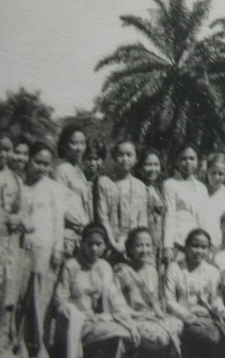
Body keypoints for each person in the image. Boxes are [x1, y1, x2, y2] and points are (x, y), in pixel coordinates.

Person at [52, 223, 140, 358]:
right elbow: (59, 300)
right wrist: (75, 313)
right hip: (74, 324)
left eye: (98, 244)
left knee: (124, 332)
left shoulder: (105, 268)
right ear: (82, 244)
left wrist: (128, 322)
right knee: (113, 332)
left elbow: (115, 298)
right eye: (90, 244)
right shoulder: (71, 266)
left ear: (104, 246)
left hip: (97, 320)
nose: (94, 248)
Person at [17, 142, 66, 358]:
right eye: (38, 162)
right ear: (29, 160)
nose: (42, 168)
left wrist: (58, 249)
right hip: (18, 250)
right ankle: (16, 343)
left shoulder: (54, 188)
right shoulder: (18, 184)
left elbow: (58, 222)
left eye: (46, 164)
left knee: (41, 300)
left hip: (44, 251)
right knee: (19, 298)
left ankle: (40, 345)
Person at [165, 228, 225, 358]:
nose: (199, 251)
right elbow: (169, 301)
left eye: (204, 247)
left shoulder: (212, 271)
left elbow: (216, 300)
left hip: (207, 316)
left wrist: (222, 313)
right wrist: (189, 317)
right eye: (195, 246)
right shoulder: (175, 269)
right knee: (209, 336)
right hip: (183, 317)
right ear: (186, 247)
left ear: (209, 249)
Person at [114, 227, 182, 358]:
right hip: (131, 316)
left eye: (147, 245)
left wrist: (159, 314)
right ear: (130, 248)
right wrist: (139, 315)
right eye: (139, 246)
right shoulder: (122, 271)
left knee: (176, 324)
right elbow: (118, 304)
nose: (144, 250)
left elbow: (154, 301)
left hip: (150, 314)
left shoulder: (152, 271)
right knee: (160, 337)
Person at [95, 140, 148, 263]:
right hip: (109, 244)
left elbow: (142, 220)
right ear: (114, 157)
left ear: (136, 159)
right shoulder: (104, 182)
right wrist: (113, 243)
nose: (125, 159)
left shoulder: (140, 186)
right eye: (120, 155)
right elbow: (102, 216)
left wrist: (134, 244)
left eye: (129, 155)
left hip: (134, 247)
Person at [0, 130, 25, 355]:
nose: (2, 153)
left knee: (8, 295)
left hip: (9, 246)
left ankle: (4, 341)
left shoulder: (16, 179)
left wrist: (20, 218)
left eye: (6, 149)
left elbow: (24, 212)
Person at [163, 143, 207, 264]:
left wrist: (205, 244)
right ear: (176, 161)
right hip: (178, 242)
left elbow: (203, 218)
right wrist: (168, 247)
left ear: (198, 161)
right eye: (183, 158)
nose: (188, 162)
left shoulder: (201, 187)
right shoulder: (170, 184)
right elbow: (169, 215)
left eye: (192, 158)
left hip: (198, 244)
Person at [55, 125, 92, 255]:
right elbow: (58, 205)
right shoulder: (62, 170)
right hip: (69, 234)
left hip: (82, 234)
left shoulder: (80, 172)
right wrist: (77, 224)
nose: (79, 148)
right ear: (65, 145)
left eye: (82, 143)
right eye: (74, 143)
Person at [136, 148, 166, 267]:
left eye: (156, 165)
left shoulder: (156, 189)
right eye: (148, 165)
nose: (153, 169)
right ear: (139, 167)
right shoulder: (138, 188)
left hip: (158, 244)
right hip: (144, 245)